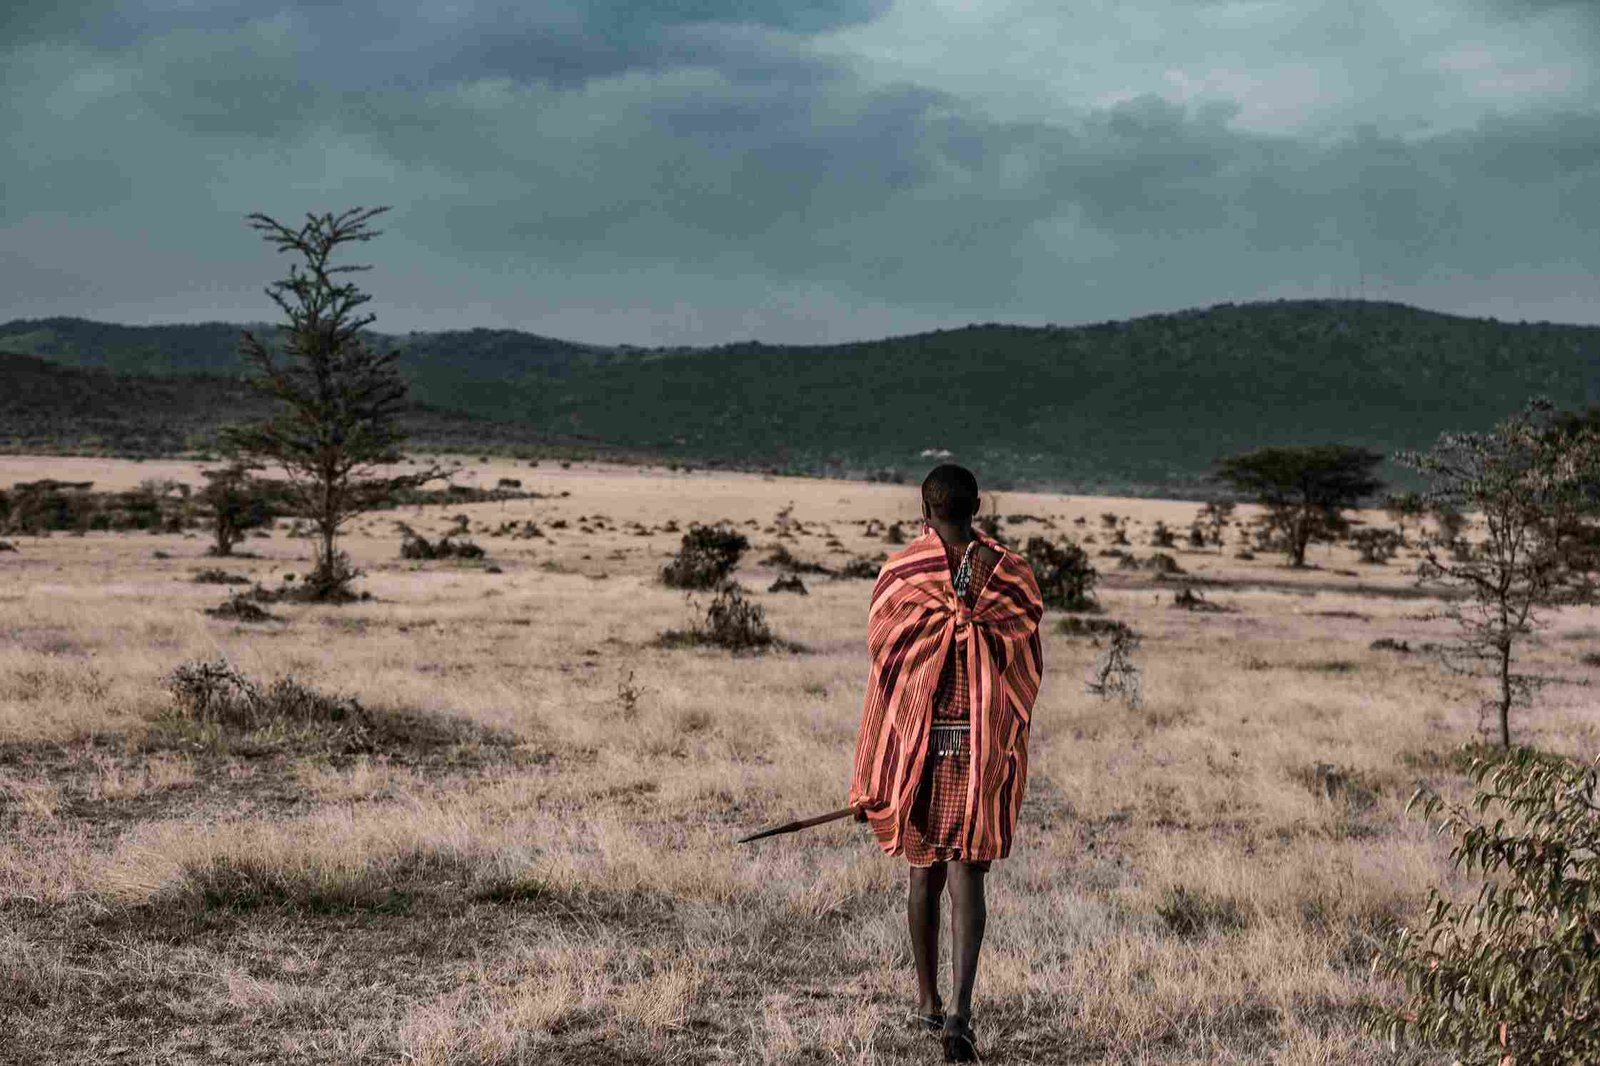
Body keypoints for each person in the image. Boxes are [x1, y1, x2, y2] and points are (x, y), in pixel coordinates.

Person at [848, 463, 1045, 1063]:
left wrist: (875, 776)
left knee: (922, 874)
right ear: (978, 506)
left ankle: (928, 1003)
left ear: (922, 510)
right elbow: (1025, 668)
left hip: (920, 748)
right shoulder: (1009, 576)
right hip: (981, 744)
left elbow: (887, 673)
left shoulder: (902, 574)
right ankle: (961, 1009)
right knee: (968, 874)